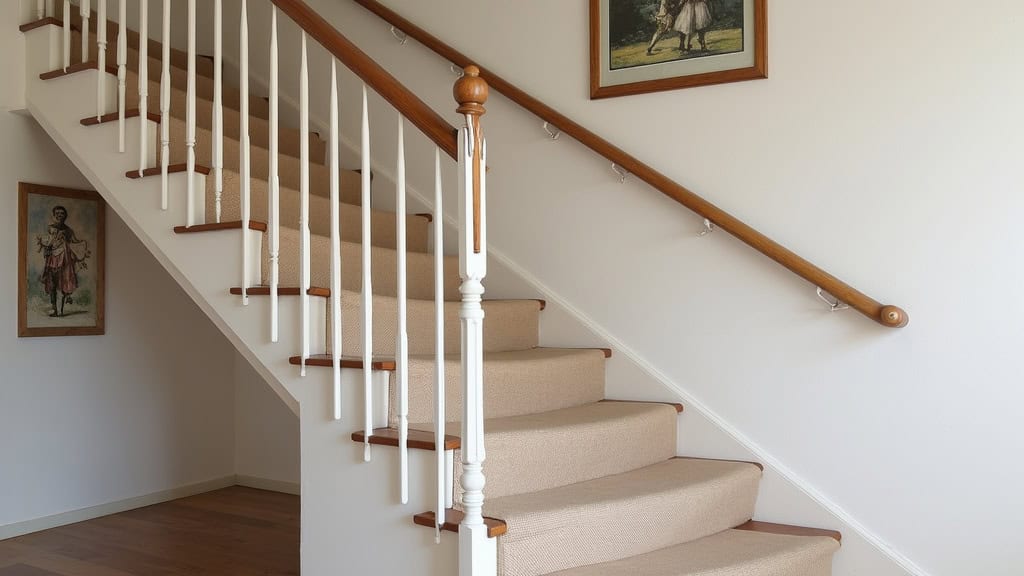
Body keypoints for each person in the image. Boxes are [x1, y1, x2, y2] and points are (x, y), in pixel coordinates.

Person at [36, 205, 90, 317]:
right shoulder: (50, 228)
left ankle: (60, 310)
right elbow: (47, 243)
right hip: (52, 260)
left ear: (65, 215)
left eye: (62, 213)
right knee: (52, 284)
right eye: (57, 213)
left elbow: (75, 242)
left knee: (64, 282)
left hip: (65, 260)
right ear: (54, 215)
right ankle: (54, 309)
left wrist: (83, 246)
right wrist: (46, 247)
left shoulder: (69, 230)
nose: (60, 215)